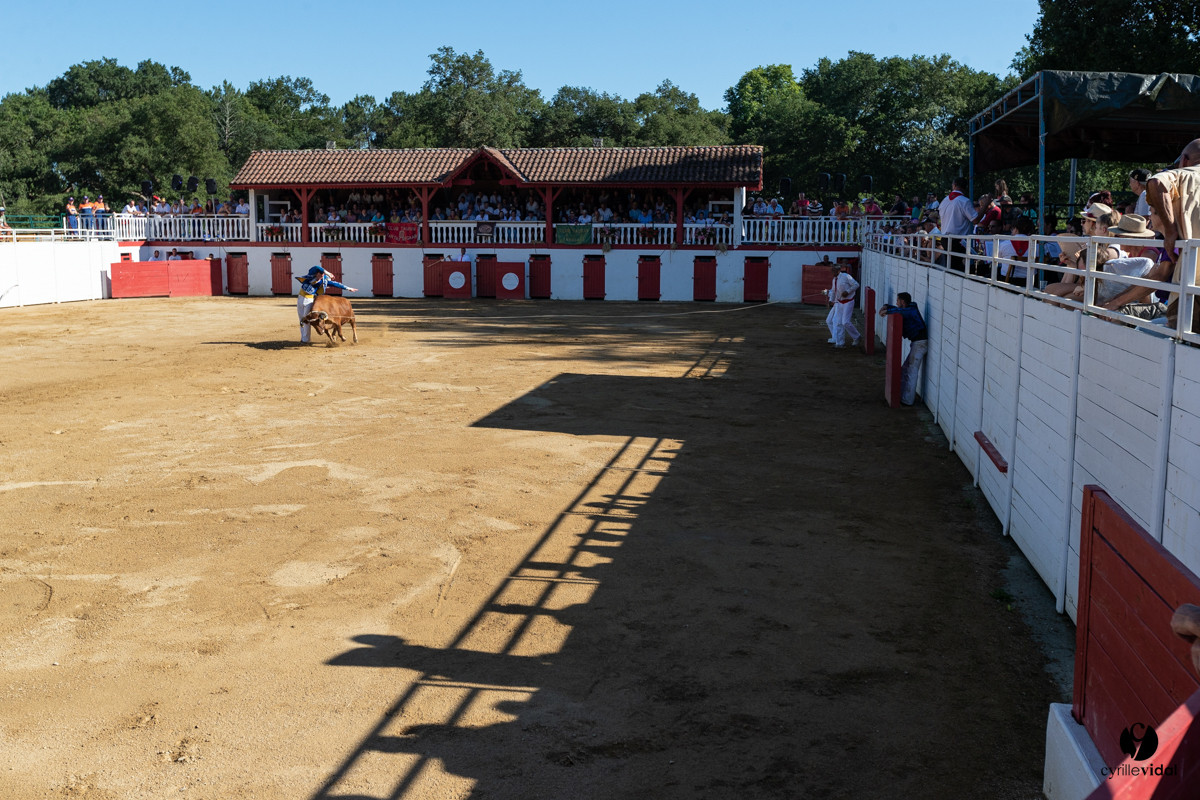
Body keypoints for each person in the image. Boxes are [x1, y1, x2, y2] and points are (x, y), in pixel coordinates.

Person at [878, 292, 928, 406]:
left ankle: (907, 400)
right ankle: (903, 396)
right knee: (906, 369)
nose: (896, 303)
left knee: (911, 371)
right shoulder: (910, 308)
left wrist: (887, 311)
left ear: (903, 302)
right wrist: (886, 306)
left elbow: (900, 311)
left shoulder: (910, 310)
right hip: (918, 343)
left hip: (920, 344)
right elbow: (898, 309)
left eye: (898, 300)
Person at [296, 265, 357, 344]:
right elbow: (317, 267)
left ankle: (305, 340)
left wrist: (348, 288)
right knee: (301, 319)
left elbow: (336, 284)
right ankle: (303, 338)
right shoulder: (311, 275)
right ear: (317, 273)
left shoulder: (324, 281)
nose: (322, 275)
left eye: (323, 274)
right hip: (300, 298)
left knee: (308, 319)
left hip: (309, 300)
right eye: (321, 274)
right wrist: (328, 273)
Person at [830, 263, 861, 348]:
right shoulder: (834, 279)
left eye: (834, 270)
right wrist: (831, 300)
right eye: (832, 270)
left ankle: (857, 336)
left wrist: (848, 291)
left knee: (845, 322)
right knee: (839, 322)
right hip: (839, 302)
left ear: (839, 270)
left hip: (848, 301)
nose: (832, 272)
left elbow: (856, 284)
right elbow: (833, 291)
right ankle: (840, 343)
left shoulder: (846, 276)